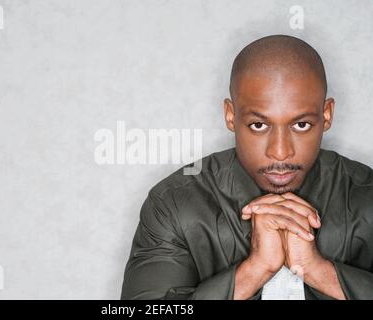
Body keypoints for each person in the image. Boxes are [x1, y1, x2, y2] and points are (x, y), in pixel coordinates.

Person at [120, 35, 373, 300]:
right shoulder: (173, 204)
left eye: (301, 125)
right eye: (259, 125)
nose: (280, 151)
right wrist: (254, 271)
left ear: (327, 115)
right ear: (231, 116)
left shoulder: (367, 198)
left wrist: (319, 272)